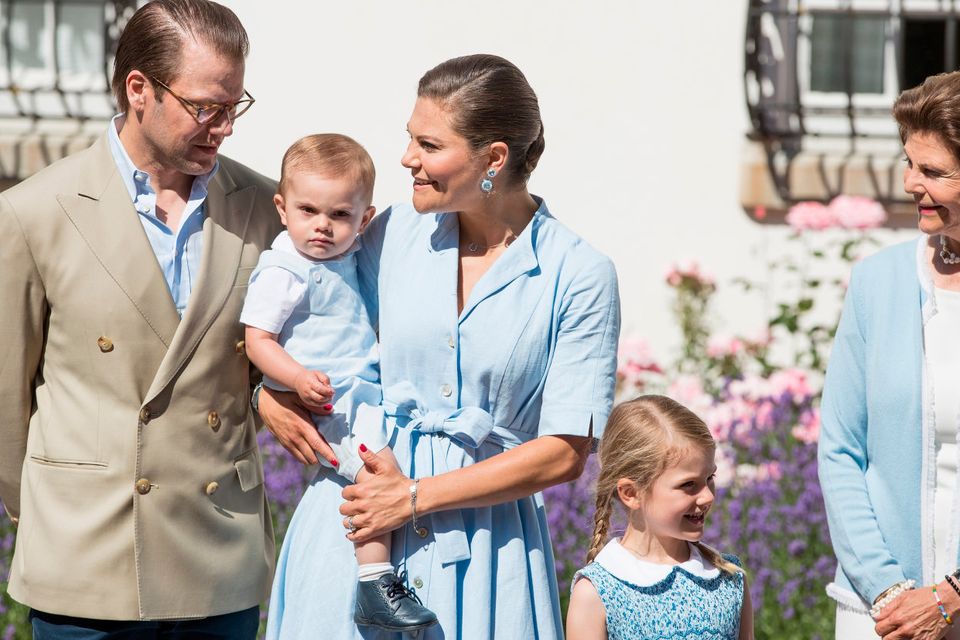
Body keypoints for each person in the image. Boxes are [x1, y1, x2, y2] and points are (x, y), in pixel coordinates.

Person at [258, 54, 621, 638]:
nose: (407, 159)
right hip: (352, 531)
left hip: (483, 548)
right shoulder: (386, 234)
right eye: (410, 138)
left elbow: (564, 451)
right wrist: (269, 394)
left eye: (428, 144)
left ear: (493, 159)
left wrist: (414, 497)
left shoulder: (578, 274)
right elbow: (294, 310)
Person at [0, 0, 280, 636]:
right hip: (87, 557)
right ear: (139, 90)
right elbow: (5, 395)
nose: (225, 127)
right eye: (207, 106)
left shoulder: (268, 208)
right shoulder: (33, 211)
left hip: (219, 553)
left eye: (235, 106)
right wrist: (47, 510)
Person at [240, 133, 437, 632]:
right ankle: (375, 581)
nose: (322, 227)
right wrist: (295, 379)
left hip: (360, 392)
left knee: (387, 467)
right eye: (308, 211)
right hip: (329, 402)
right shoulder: (284, 269)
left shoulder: (348, 259)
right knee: (376, 474)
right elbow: (258, 340)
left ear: (364, 220)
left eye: (340, 215)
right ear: (282, 209)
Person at [819, 70, 960, 640]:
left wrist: (951, 597)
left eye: (933, 171)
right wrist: (887, 589)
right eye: (909, 163)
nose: (910, 183)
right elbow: (840, 449)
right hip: (880, 616)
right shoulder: (876, 283)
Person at [565, 395, 752, 640]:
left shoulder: (728, 580)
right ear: (631, 493)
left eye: (710, 479)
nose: (707, 496)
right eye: (688, 484)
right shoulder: (597, 592)